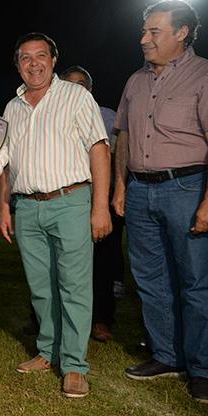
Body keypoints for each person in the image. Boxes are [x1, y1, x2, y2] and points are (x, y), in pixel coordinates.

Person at [0, 32, 111, 398]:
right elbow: (7, 163)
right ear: (18, 64)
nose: (33, 64)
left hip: (71, 200)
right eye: (25, 58)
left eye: (40, 55)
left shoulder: (76, 97)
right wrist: (4, 207)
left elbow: (99, 150)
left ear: (53, 59)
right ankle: (47, 351)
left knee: (74, 286)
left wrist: (100, 206)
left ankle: (74, 365)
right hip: (27, 206)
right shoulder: (12, 108)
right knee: (41, 288)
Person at [111, 0, 208, 403]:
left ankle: (201, 366)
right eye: (143, 31)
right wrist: (120, 186)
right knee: (151, 281)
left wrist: (207, 203)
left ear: (182, 33)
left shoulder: (203, 76)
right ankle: (166, 355)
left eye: (154, 32)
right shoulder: (135, 81)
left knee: (196, 283)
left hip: (187, 188)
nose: (144, 39)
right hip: (139, 190)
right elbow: (124, 138)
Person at [60, 65, 124, 343]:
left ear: (90, 88)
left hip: (101, 195)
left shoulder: (107, 116)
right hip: (65, 197)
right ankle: (46, 319)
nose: (76, 88)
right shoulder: (53, 113)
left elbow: (114, 155)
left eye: (82, 83)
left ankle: (101, 320)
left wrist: (110, 196)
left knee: (103, 262)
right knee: (60, 261)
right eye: (70, 83)